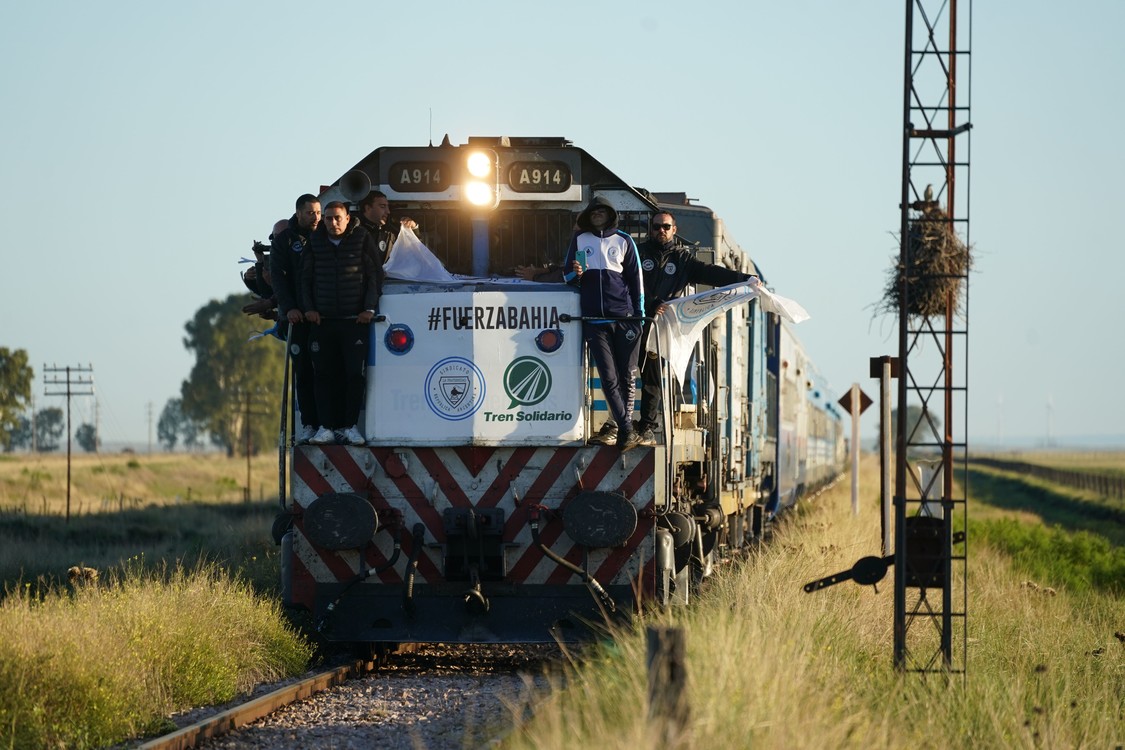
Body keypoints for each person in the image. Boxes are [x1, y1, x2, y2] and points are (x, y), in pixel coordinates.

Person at [635, 211, 757, 445]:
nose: (661, 230)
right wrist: (651, 303)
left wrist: (745, 279)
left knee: (651, 379)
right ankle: (619, 424)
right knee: (624, 374)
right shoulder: (638, 254)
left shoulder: (683, 260)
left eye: (666, 226)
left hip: (661, 328)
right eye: (657, 226)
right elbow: (630, 283)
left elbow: (714, 274)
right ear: (650, 229)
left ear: (674, 229)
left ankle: (646, 426)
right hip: (634, 323)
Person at [563, 196, 645, 451]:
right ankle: (627, 429)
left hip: (625, 319)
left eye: (602, 211)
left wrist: (639, 316)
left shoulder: (623, 240)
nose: (598, 214)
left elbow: (636, 279)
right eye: (594, 211)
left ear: (610, 214)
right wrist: (575, 274)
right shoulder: (580, 240)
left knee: (626, 377)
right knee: (608, 378)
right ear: (588, 215)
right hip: (594, 320)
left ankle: (624, 429)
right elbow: (567, 277)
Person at [299, 201, 382, 446]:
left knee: (354, 376)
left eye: (337, 218)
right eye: (328, 218)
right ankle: (325, 427)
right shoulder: (315, 242)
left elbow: (374, 274)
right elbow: (304, 278)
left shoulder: (362, 238)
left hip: (353, 321)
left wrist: (369, 308)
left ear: (347, 218)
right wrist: (309, 309)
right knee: (323, 375)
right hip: (322, 322)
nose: (332, 223)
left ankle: (350, 426)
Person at [270, 195, 322, 443]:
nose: (316, 218)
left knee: (327, 373)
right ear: (299, 213)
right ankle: (310, 424)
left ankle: (331, 425)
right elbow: (278, 278)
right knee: (304, 373)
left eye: (318, 213)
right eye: (311, 213)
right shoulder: (284, 241)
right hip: (297, 318)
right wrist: (289, 308)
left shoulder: (326, 235)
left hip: (324, 317)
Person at [355, 190, 417, 264]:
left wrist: (413, 228)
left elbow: (414, 251)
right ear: (368, 208)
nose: (388, 211)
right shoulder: (353, 232)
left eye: (387, 207)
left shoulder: (391, 233)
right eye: (382, 206)